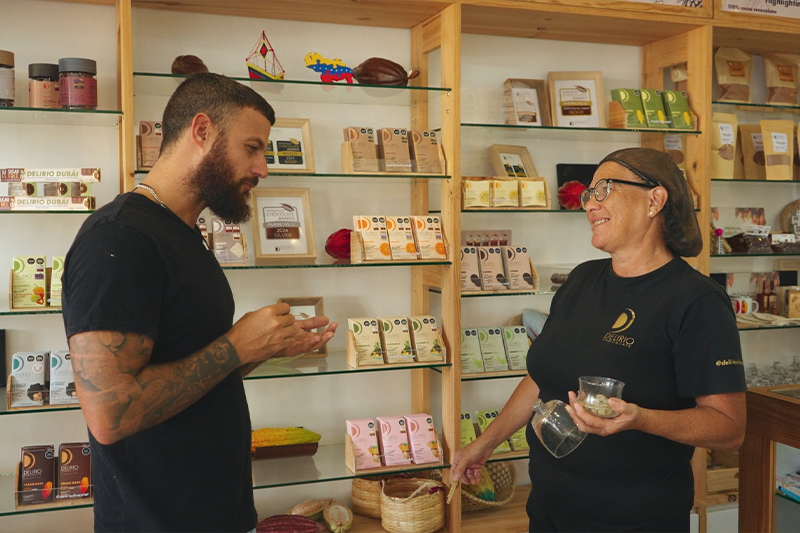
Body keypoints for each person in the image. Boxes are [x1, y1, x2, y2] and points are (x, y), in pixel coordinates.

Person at [62, 73, 337, 533]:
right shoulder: (120, 239)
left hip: (219, 512)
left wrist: (261, 348)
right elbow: (110, 413)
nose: (263, 168)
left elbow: (191, 367)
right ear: (203, 131)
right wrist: (237, 345)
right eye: (252, 148)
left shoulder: (183, 232)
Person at [451, 147, 746, 532]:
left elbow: (729, 428)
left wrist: (640, 418)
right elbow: (543, 378)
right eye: (589, 193)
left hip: (636, 520)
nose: (590, 203)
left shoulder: (697, 301)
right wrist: (487, 442)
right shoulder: (582, 279)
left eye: (604, 188)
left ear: (655, 200)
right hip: (549, 510)